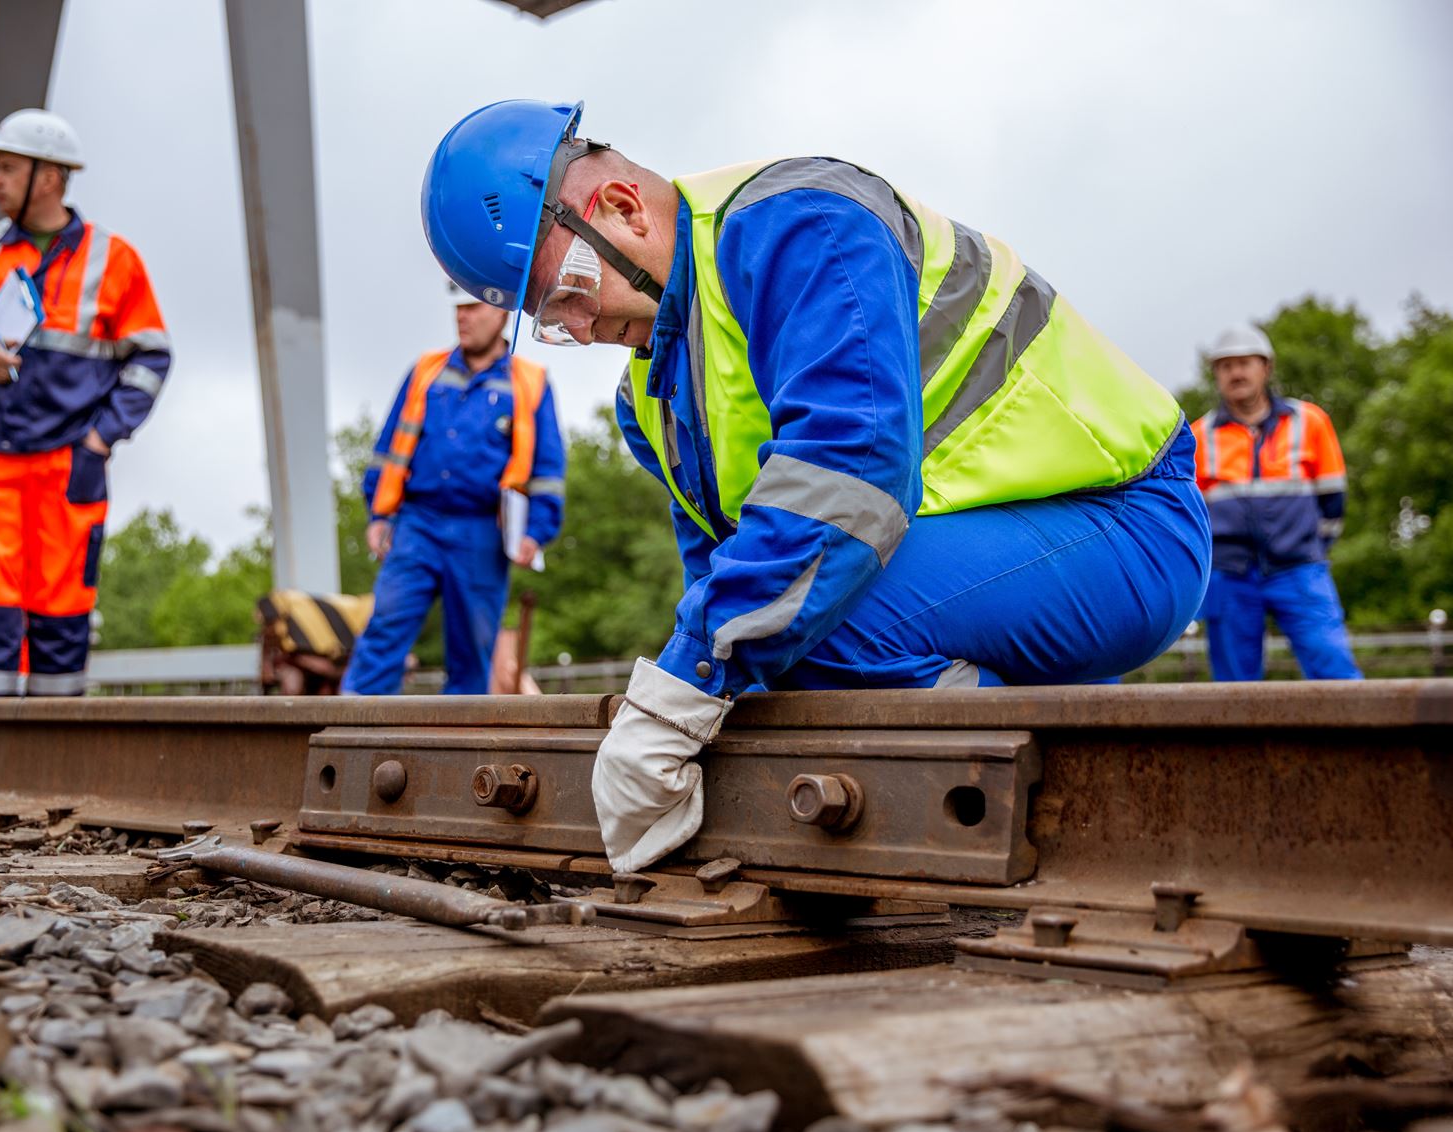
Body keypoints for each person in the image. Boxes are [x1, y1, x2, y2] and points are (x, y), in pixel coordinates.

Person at [421, 100, 1212, 873]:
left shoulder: (801, 223)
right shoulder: (651, 396)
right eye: (554, 322)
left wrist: (677, 700)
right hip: (990, 560)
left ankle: (1021, 774)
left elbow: (849, 468)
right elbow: (718, 571)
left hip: (1124, 524)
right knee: (764, 632)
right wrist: (700, 687)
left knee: (798, 620)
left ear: (623, 208)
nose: (583, 330)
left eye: (570, 294)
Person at [0, 109, 172, 696]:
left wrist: (101, 437)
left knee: (63, 612)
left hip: (70, 463)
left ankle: (54, 755)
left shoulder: (116, 260)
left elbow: (153, 358)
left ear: (49, 178)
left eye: (7, 168)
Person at [341, 281, 565, 695]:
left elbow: (548, 468)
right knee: (385, 626)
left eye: (472, 308)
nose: (462, 315)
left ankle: (458, 743)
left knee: (472, 648)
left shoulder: (529, 382)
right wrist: (379, 514)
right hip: (417, 525)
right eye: (457, 308)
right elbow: (388, 447)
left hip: (482, 532)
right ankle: (352, 726)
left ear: (501, 313)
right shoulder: (427, 371)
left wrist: (536, 531)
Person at [1192, 325, 1360, 682]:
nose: (1236, 373)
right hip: (1229, 576)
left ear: (1265, 368)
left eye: (1244, 363)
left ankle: (1357, 739)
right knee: (1233, 687)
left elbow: (1333, 501)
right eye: (1225, 366)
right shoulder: (1198, 435)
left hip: (1299, 570)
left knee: (1332, 665)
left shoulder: (1309, 421)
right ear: (1216, 375)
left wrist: (1308, 547)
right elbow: (1192, 516)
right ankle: (1241, 742)